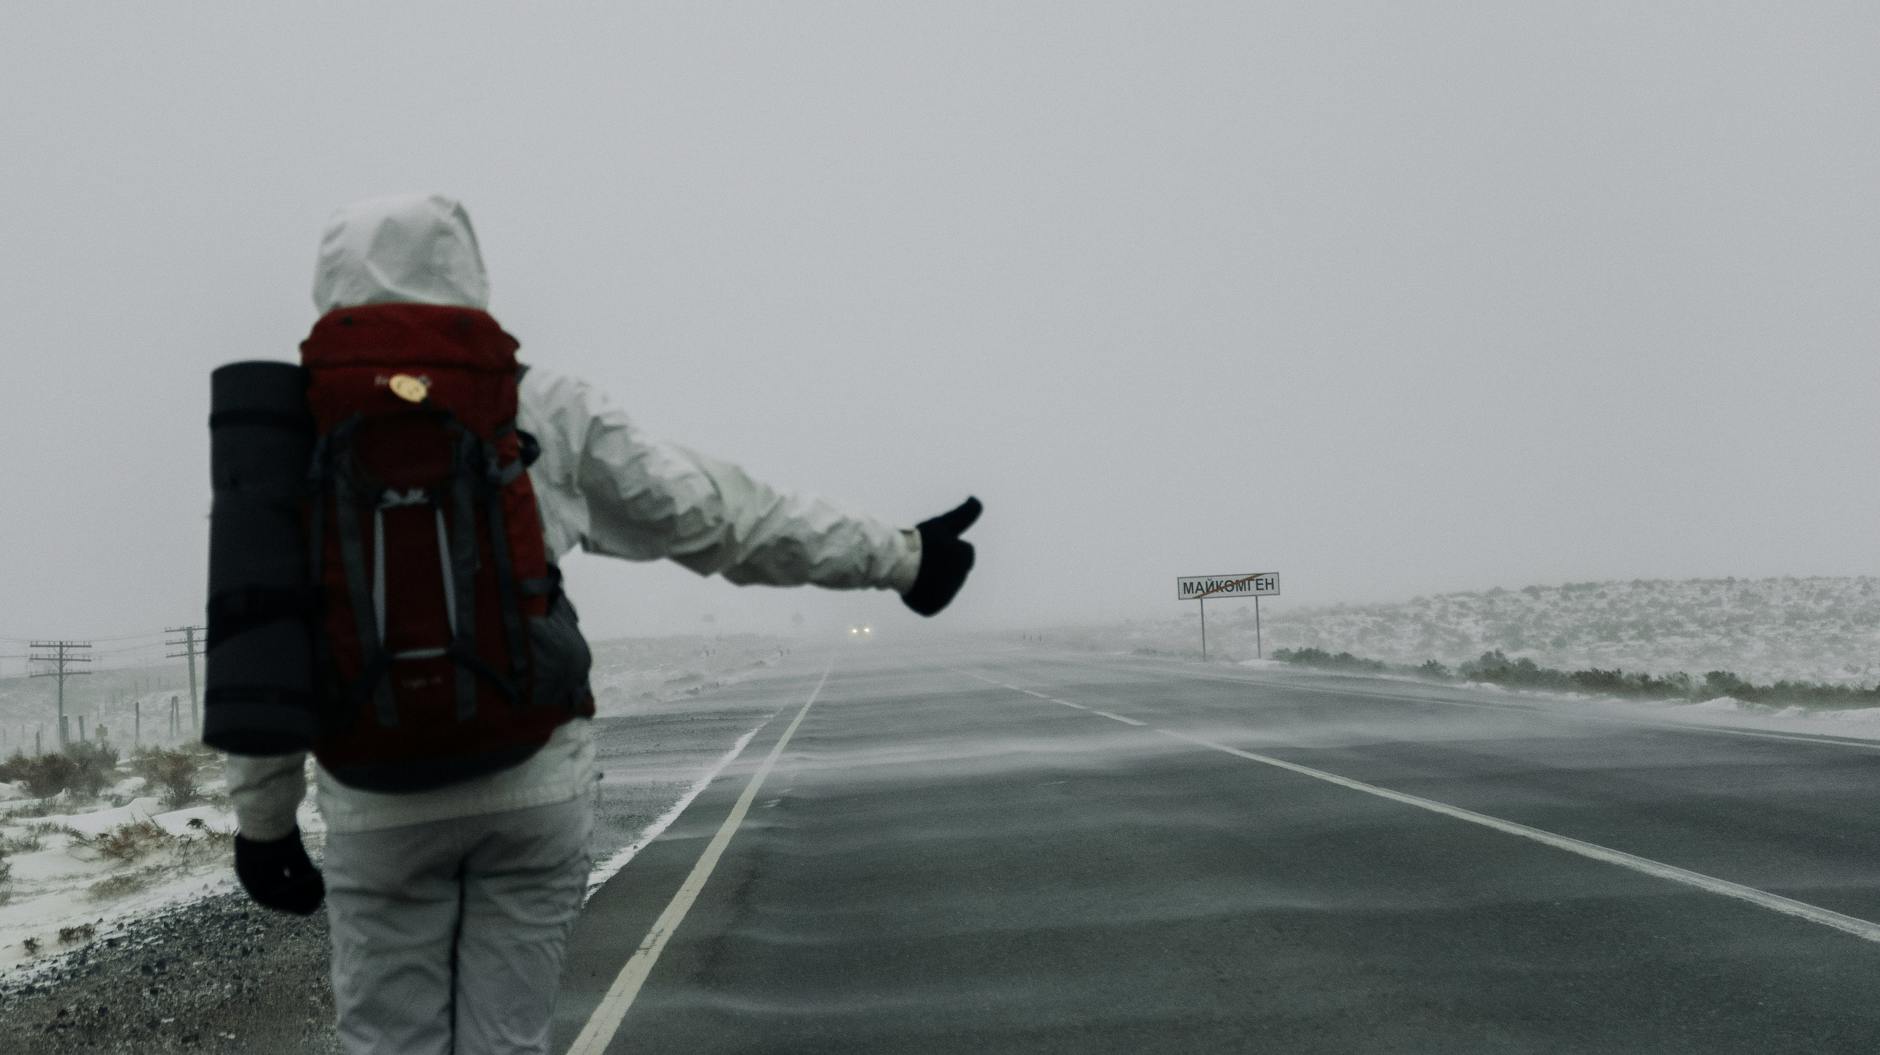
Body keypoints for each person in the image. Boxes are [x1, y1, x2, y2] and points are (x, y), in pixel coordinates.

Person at [223, 192, 981, 1055]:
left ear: (333, 286)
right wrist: (901, 557)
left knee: (388, 1042)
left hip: (376, 802)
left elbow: (262, 635)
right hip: (533, 782)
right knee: (507, 1042)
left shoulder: (289, 427)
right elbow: (723, 517)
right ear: (467, 271)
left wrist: (264, 823)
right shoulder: (538, 406)